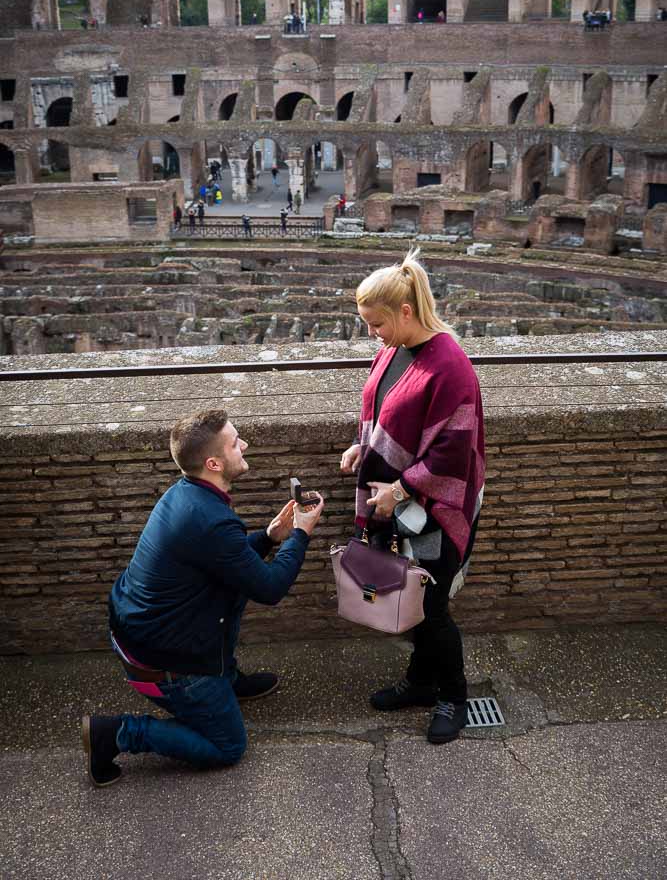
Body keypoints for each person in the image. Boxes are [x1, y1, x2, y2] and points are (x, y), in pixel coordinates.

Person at [81, 408, 324, 786]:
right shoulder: (209, 517)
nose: (244, 445)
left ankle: (225, 679)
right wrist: (301, 534)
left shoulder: (189, 493)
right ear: (213, 462)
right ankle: (115, 733)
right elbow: (270, 588)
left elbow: (227, 558)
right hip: (163, 662)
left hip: (145, 632)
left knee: (230, 587)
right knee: (228, 747)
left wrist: (271, 535)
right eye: (234, 442)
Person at [340, 249, 485, 745]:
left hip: (435, 512)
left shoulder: (451, 366)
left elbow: (454, 450)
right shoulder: (393, 350)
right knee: (411, 598)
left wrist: (400, 488)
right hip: (395, 508)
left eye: (376, 323)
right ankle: (422, 684)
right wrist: (364, 446)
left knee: (433, 605)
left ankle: (454, 697)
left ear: (405, 312)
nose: (371, 335)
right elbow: (384, 413)